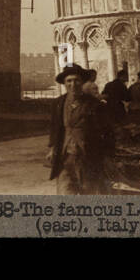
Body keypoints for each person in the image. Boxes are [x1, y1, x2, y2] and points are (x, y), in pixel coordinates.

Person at [47, 65, 111, 194]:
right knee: (65, 194)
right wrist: (52, 147)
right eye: (69, 81)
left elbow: (107, 131)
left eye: (77, 80)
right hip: (64, 156)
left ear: (82, 82)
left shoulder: (94, 104)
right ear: (64, 83)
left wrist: (107, 156)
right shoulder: (59, 103)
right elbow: (55, 127)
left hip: (87, 156)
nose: (73, 84)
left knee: (88, 193)